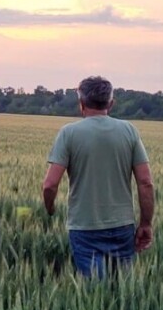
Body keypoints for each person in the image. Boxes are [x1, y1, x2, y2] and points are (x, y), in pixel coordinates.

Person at [42, 76, 155, 278]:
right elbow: (146, 183)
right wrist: (145, 223)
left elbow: (50, 185)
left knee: (93, 296)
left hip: (84, 227)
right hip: (122, 226)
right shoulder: (129, 130)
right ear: (111, 103)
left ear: (81, 103)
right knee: (123, 293)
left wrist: (50, 209)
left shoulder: (68, 133)